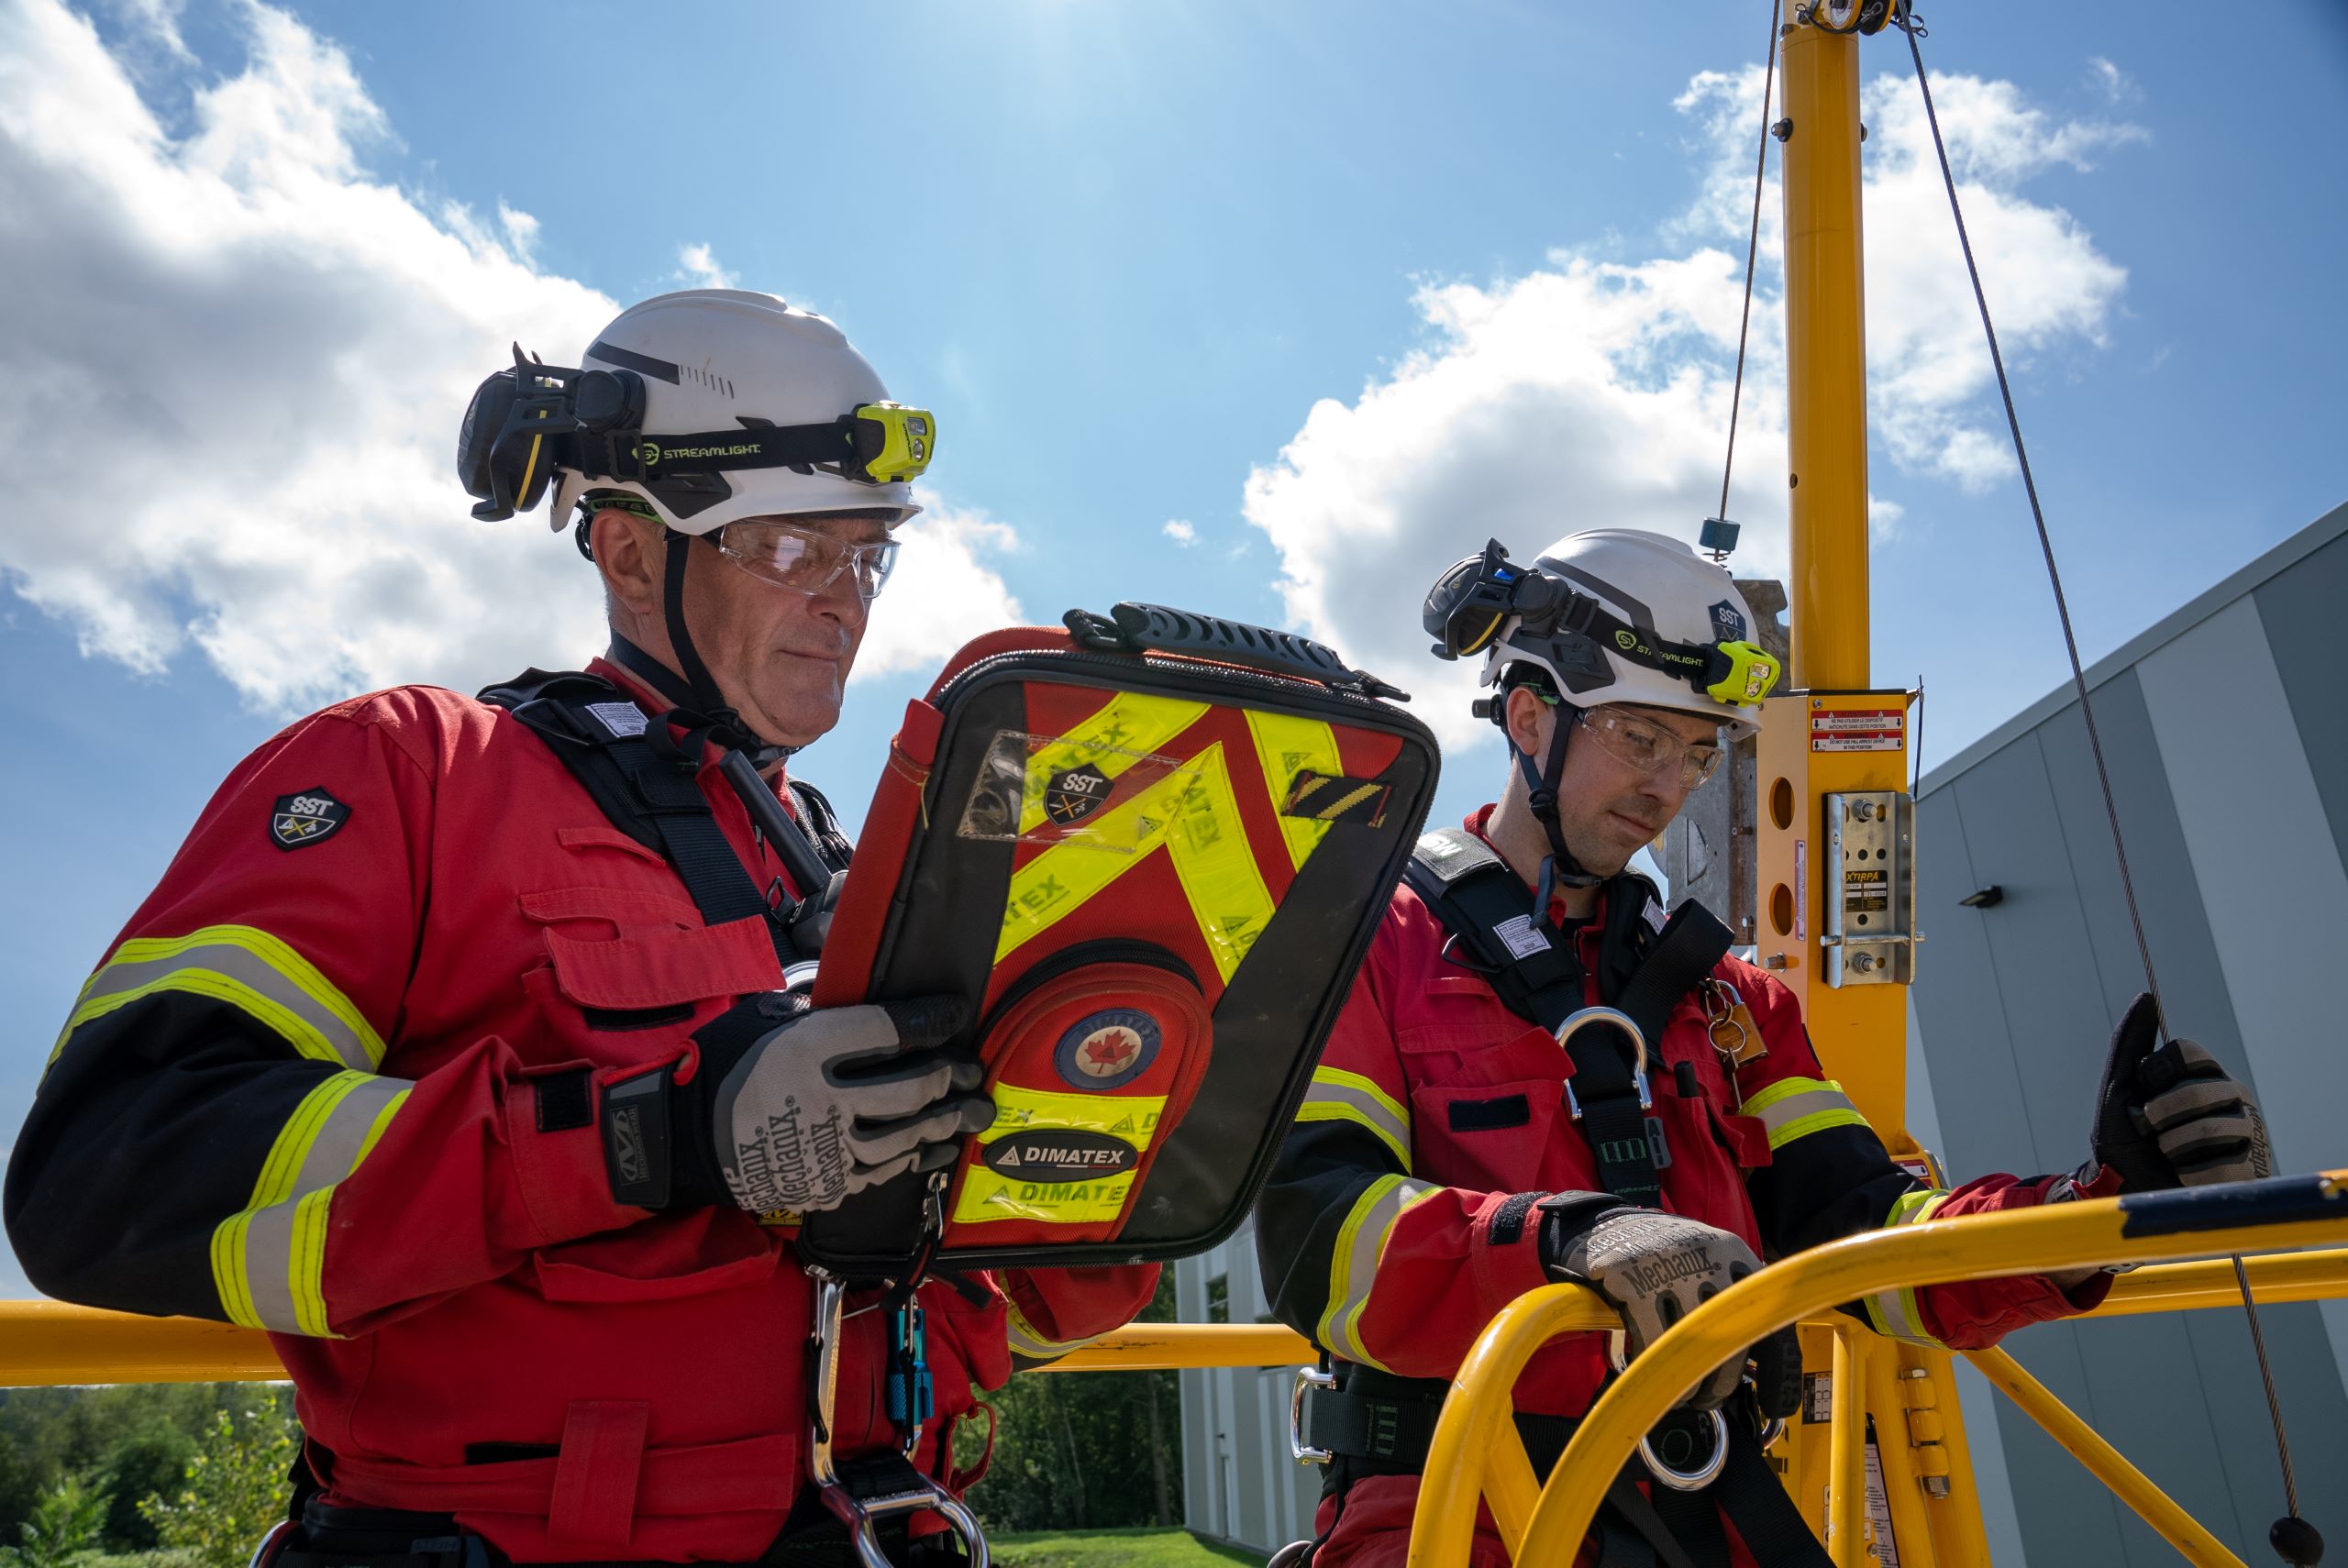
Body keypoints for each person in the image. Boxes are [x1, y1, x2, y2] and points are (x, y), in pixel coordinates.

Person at [6, 290, 1158, 1566]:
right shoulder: (412, 774)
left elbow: (1006, 1309)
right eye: (789, 548)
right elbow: (104, 1181)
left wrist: (1107, 1174)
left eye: (866, 553)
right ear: (624, 550)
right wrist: (649, 1136)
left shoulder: (866, 871)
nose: (844, 602)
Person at [1255, 528, 2270, 1568]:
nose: (1670, 787)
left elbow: (1867, 1240)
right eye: (1642, 738)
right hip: (1456, 1507)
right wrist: (1565, 1242)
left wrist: (2083, 1215)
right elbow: (1316, 1236)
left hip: (1716, 1504)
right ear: (1528, 717)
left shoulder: (1733, 1000)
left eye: (1697, 753)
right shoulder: (1369, 947)